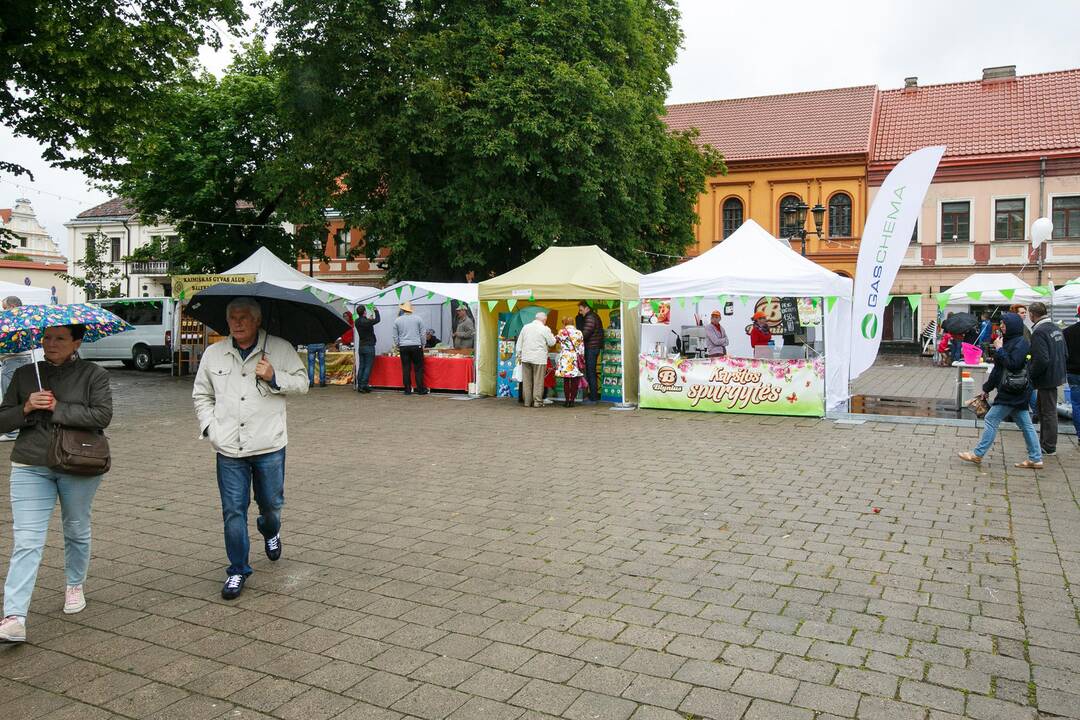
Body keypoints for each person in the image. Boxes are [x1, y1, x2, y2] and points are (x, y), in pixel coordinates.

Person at [0, 324, 113, 642]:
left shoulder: (93, 374)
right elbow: (3, 418)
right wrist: (25, 407)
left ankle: (74, 583)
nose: (51, 344)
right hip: (30, 464)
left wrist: (56, 408)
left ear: (77, 341)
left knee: (76, 528)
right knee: (26, 541)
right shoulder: (25, 374)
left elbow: (102, 416)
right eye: (47, 338)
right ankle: (14, 617)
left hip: (78, 462)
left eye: (60, 339)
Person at [192, 298, 308, 600]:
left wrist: (274, 377)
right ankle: (237, 569)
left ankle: (270, 531)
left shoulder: (280, 348)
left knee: (271, 506)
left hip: (269, 445)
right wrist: (210, 428)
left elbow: (303, 383)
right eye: (232, 316)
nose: (237, 322)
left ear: (257, 320)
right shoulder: (214, 353)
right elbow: (201, 394)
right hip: (229, 448)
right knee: (233, 511)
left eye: (244, 317)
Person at [958, 312, 1042, 469]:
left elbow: (1013, 364)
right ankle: (1036, 458)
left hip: (1013, 390)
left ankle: (978, 454)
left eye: (1004, 324)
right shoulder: (1008, 341)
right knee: (1026, 424)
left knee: (991, 418)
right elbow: (998, 369)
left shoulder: (1021, 343)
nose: (1001, 326)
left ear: (1013, 326)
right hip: (1013, 390)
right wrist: (987, 388)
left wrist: (1000, 349)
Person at [1027, 301, 1067, 456]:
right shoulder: (1056, 328)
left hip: (1046, 377)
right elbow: (1065, 352)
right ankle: (1045, 442)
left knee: (1048, 411)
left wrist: (1031, 372)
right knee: (1043, 410)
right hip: (1056, 373)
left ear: (1032, 314)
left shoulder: (1039, 331)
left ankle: (1049, 445)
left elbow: (1041, 359)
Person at [0, 296, 33, 442]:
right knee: (22, 395)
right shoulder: (26, 319)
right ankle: (22, 428)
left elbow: (11, 345)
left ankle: (13, 431)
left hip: (13, 361)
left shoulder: (11, 322)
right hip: (23, 359)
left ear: (12, 306)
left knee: (10, 396)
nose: (3, 311)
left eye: (4, 308)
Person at [515, 312, 555, 408]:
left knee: (527, 381)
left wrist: (519, 355)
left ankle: (527, 402)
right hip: (539, 358)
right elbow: (552, 342)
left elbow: (519, 343)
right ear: (544, 320)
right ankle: (537, 402)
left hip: (526, 357)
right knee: (538, 381)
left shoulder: (525, 327)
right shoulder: (545, 329)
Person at [393, 301, 428, 395]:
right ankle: (420, 389)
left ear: (403, 309)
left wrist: (397, 345)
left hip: (403, 346)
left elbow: (395, 336)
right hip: (416, 345)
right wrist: (423, 344)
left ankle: (407, 389)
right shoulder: (418, 319)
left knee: (406, 368)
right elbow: (423, 333)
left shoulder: (397, 320)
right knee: (418, 368)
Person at [555, 316, 584, 407]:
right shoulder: (579, 332)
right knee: (575, 380)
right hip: (575, 357)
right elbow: (581, 347)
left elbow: (555, 340)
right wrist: (582, 358)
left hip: (565, 357)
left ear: (565, 323)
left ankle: (566, 400)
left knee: (566, 381)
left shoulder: (561, 332)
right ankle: (572, 401)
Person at [578, 302, 604, 403]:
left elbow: (585, 334)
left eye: (581, 310)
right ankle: (593, 395)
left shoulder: (590, 318)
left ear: (587, 308)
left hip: (591, 348)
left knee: (590, 372)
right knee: (591, 371)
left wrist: (577, 336)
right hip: (594, 347)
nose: (580, 313)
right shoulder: (593, 316)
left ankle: (593, 396)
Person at [354, 305, 380, 393]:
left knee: (362, 366)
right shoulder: (367, 321)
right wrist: (376, 311)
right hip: (369, 346)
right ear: (364, 312)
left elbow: (366, 323)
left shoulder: (357, 321)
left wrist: (369, 319)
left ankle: (360, 384)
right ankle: (364, 385)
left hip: (361, 346)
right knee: (368, 366)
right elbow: (378, 320)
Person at [1064, 305, 1080, 444]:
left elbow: (1064, 353)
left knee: (1076, 404)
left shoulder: (1068, 332)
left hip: (1073, 371)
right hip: (1073, 371)